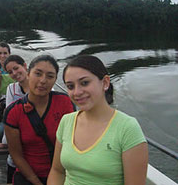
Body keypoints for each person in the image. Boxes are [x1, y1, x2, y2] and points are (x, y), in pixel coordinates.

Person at [47, 55, 148, 185]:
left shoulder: (127, 128)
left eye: (84, 83)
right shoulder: (67, 121)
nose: (77, 92)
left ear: (105, 83)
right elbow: (57, 171)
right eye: (70, 86)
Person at [4, 55, 75, 185]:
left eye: (50, 76)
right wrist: (36, 182)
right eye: (38, 73)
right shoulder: (13, 112)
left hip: (63, 172)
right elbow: (16, 156)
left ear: (54, 80)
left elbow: (73, 143)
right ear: (28, 74)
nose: (43, 81)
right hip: (29, 175)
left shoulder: (65, 102)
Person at [2, 54, 30, 183]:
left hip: (37, 129)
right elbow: (10, 115)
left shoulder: (41, 86)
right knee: (12, 157)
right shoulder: (12, 89)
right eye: (10, 72)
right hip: (18, 130)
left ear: (25, 65)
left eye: (16, 68)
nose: (14, 73)